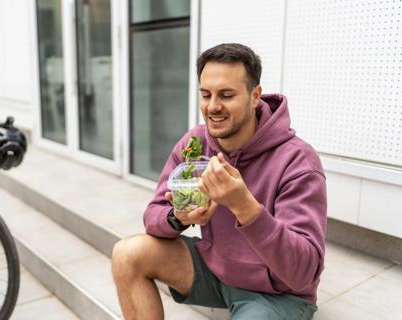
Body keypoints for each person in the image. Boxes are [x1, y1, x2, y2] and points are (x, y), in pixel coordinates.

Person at [111, 43, 327, 320]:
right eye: (205, 95)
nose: (213, 107)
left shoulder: (298, 161)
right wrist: (178, 217)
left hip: (278, 292)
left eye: (226, 95)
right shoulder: (194, 144)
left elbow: (303, 272)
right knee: (127, 253)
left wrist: (245, 206)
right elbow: (153, 215)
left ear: (254, 96)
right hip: (217, 270)